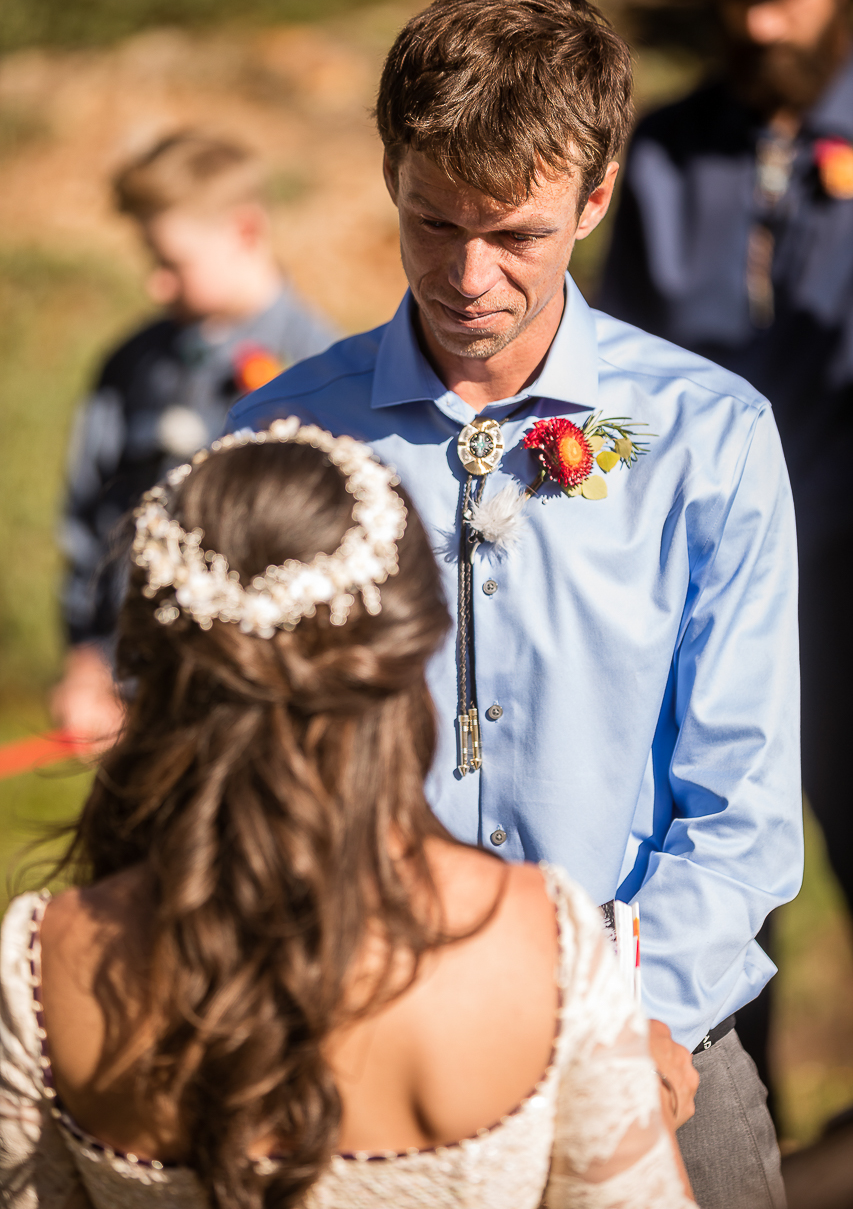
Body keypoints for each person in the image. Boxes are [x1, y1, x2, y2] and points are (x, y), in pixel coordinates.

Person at [226, 0, 801, 1209]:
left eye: (517, 233)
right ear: (389, 172)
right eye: (434, 223)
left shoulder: (707, 438)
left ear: (594, 196)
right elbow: (236, 770)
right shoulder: (278, 438)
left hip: (654, 1050)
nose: (470, 276)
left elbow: (743, 807)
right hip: (365, 1070)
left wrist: (633, 1019)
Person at [0, 420, 697, 1207]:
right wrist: (644, 1107)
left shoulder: (42, 962)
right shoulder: (544, 942)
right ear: (408, 655)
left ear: (153, 667)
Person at [598, 0, 853, 1111]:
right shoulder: (662, 151)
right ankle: (721, 1104)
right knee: (690, 846)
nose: (759, 25)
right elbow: (619, 370)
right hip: (688, 578)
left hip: (849, 571)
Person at [51, 130, 337, 748]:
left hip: (261, 712)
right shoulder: (132, 365)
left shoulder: (324, 375)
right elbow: (91, 517)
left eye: (171, 263)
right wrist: (88, 661)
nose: (155, 285)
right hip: (137, 696)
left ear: (245, 231)